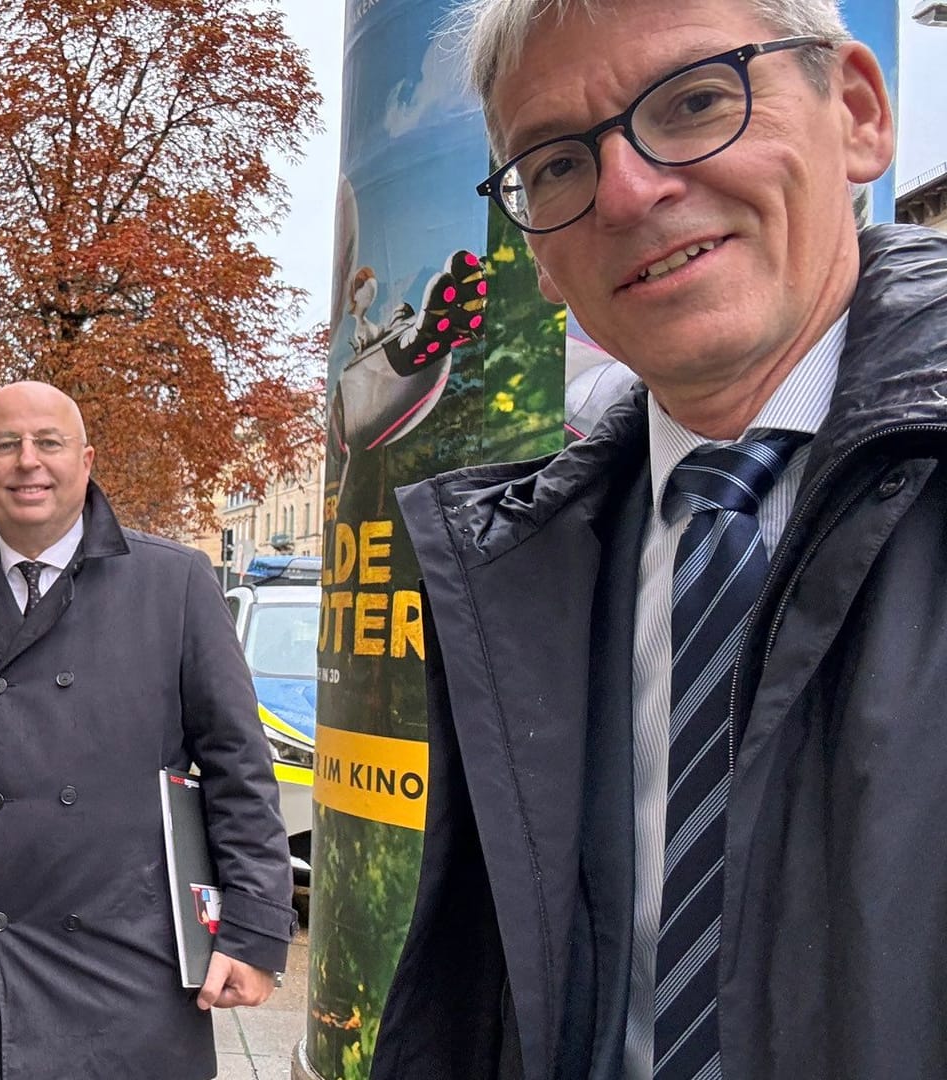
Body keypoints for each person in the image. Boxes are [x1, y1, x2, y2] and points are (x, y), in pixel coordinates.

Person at [375, 1, 947, 1078]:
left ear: (860, 113)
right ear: (540, 258)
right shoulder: (523, 567)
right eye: (555, 165)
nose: (631, 191)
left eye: (694, 101)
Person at [0, 381, 296, 1079]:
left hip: (128, 967)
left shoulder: (175, 583)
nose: (28, 462)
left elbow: (238, 767)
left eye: (48, 443)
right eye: (5, 445)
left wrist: (254, 932)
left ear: (87, 460)